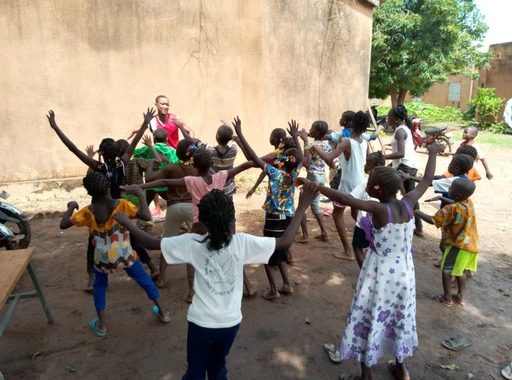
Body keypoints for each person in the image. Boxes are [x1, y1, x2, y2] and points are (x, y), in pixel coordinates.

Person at [114, 183, 318, 380]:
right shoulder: (242, 243)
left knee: (195, 372)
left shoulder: (192, 243)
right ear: (232, 222)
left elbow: (150, 243)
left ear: (201, 222)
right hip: (230, 323)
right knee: (218, 367)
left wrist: (127, 222)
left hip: (201, 324)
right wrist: (302, 205)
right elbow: (284, 242)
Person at [302, 143, 444, 380]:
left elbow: (345, 198)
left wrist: (317, 187)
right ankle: (401, 367)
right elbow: (428, 178)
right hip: (404, 275)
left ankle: (366, 373)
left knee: (369, 316)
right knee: (399, 315)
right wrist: (432, 153)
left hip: (378, 275)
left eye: (369, 186)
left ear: (377, 191)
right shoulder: (409, 202)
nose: (367, 188)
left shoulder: (378, 210)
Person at [47, 108, 156, 290]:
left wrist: (56, 128)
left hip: (99, 206)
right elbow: (134, 142)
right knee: (131, 237)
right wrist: (145, 123)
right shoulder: (123, 162)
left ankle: (91, 279)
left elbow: (73, 149)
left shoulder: (98, 166)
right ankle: (151, 267)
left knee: (93, 244)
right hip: (118, 206)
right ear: (116, 152)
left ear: (101, 153)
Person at [59, 171, 170, 337]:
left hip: (101, 260)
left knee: (99, 287)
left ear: (89, 193)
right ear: (109, 186)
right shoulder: (122, 205)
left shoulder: (88, 211)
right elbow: (147, 216)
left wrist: (71, 206)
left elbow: (63, 224)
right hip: (125, 256)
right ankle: (163, 313)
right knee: (145, 281)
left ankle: (102, 325)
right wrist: (140, 193)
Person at [139, 145, 256, 302]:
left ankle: (191, 293)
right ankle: (249, 287)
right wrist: (262, 163)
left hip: (200, 223)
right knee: (230, 251)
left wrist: (140, 186)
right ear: (211, 164)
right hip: (220, 221)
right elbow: (245, 165)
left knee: (192, 255)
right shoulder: (220, 176)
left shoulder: (191, 181)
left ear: (194, 165)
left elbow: (165, 181)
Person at [233, 116, 303, 300]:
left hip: (274, 218)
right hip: (288, 217)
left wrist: (240, 134)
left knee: (266, 253)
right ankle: (286, 284)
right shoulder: (295, 172)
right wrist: (296, 137)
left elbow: (254, 158)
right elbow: (301, 156)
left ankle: (274, 290)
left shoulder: (275, 173)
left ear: (283, 160)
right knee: (279, 251)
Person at [312, 111, 370, 260]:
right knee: (355, 212)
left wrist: (314, 146)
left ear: (351, 124)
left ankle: (348, 251)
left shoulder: (346, 142)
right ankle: (368, 243)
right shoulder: (364, 140)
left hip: (347, 184)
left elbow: (329, 158)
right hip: (360, 182)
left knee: (337, 214)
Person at [144, 139, 197, 292]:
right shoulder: (195, 168)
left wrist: (149, 165)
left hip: (173, 207)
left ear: (177, 153)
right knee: (198, 241)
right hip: (190, 207)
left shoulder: (171, 168)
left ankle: (161, 277)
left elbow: (150, 178)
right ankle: (197, 280)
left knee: (166, 243)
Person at [415, 178, 478, 307]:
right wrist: (442, 199)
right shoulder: (468, 202)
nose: (448, 189)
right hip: (470, 244)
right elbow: (458, 206)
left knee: (446, 270)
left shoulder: (450, 209)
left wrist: (416, 212)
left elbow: (433, 220)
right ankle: (460, 297)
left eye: (451, 188)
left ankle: (447, 298)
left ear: (458, 194)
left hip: (457, 245)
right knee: (462, 271)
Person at [383, 104, 423, 236]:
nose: (387, 119)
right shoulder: (403, 129)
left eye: (389, 117)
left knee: (388, 190)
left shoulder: (400, 131)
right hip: (410, 165)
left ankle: (390, 220)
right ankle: (418, 227)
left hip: (405, 165)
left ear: (395, 118)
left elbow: (400, 153)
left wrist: (383, 156)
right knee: (411, 195)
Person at [348, 151, 386, 268]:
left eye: (368, 164)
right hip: (380, 223)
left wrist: (355, 215)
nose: (365, 166)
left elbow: (351, 200)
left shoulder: (365, 184)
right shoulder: (386, 183)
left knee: (357, 247)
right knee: (374, 248)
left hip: (364, 224)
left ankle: (365, 273)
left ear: (375, 167)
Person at [297, 121, 333, 242]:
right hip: (321, 177)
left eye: (311, 128)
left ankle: (305, 235)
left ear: (317, 132)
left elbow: (307, 163)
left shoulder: (312, 145)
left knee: (301, 206)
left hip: (312, 177)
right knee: (315, 206)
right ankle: (324, 233)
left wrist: (305, 141)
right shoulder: (327, 145)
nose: (309, 129)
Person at [209, 124, 239, 197]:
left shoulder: (210, 151)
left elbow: (200, 144)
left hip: (214, 188)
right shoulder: (233, 150)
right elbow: (236, 140)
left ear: (217, 136)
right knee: (227, 206)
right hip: (228, 188)